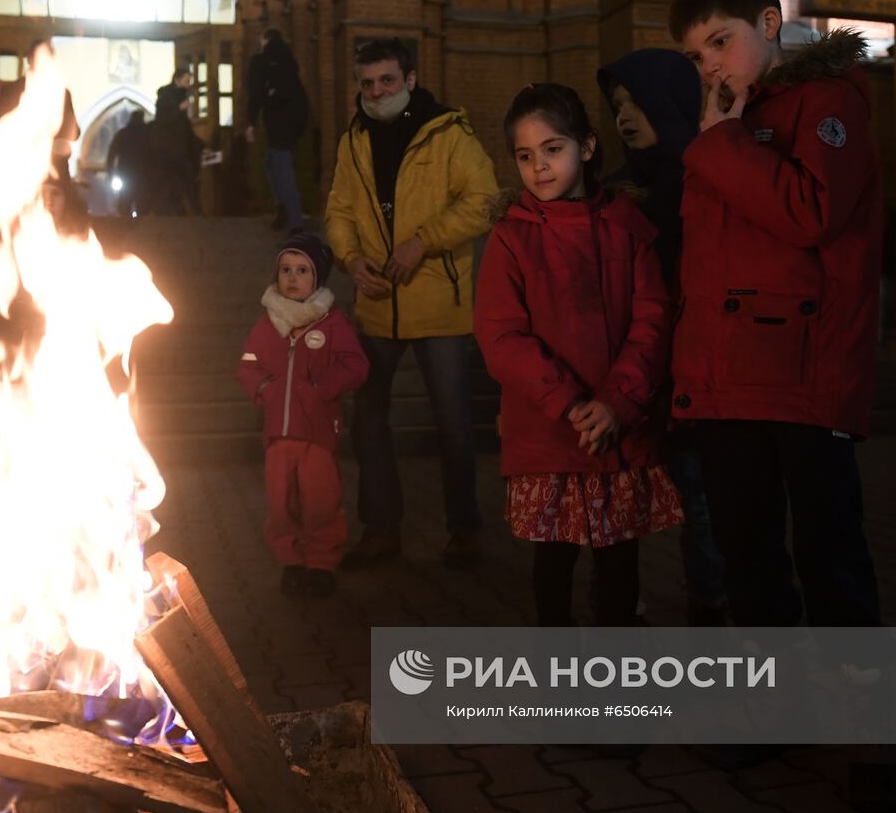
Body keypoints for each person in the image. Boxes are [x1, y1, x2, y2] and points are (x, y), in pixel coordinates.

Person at [669, 0, 896, 808]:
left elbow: (811, 215)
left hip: (802, 376)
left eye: (720, 44)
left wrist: (721, 142)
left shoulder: (830, 104)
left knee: (832, 557)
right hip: (729, 381)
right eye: (697, 57)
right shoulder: (728, 123)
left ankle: (876, 739)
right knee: (751, 560)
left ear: (770, 23)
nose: (712, 69)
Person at [474, 83, 682, 626]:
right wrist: (570, 404)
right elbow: (502, 337)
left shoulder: (627, 227)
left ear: (587, 148)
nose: (539, 167)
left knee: (618, 565)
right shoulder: (512, 239)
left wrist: (617, 402)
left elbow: (654, 320)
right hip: (552, 433)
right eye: (525, 155)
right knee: (554, 566)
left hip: (619, 427)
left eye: (552, 149)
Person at [324, 38, 498, 568]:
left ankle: (464, 531)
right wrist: (351, 260)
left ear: (411, 80)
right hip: (377, 303)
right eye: (368, 82)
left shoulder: (449, 133)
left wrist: (424, 241)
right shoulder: (353, 140)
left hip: (438, 305)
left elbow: (484, 200)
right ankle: (380, 530)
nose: (376, 91)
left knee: (452, 422)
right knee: (368, 417)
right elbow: (339, 210)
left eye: (387, 81)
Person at [597, 50, 727, 627]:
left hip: (694, 368)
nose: (624, 115)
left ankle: (710, 601)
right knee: (620, 489)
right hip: (629, 365)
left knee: (698, 497)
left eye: (636, 101)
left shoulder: (706, 177)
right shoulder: (613, 191)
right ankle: (623, 603)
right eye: (617, 105)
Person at [236, 233, 370, 597]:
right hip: (278, 436)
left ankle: (321, 563)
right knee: (281, 503)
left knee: (320, 501)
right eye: (285, 270)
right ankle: (291, 561)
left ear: (318, 279)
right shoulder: (269, 324)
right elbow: (247, 365)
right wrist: (264, 389)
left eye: (301, 271)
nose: (292, 278)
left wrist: (322, 388)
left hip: (317, 433)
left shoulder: (329, 323)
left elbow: (356, 365)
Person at [245, 29, 311, 230]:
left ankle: (295, 220)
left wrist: (250, 123)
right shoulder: (288, 59)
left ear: (264, 40)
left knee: (282, 165)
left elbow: (255, 94)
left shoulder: (260, 61)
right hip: (297, 117)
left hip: (278, 120)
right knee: (272, 161)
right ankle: (283, 209)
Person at [147, 74, 204, 215]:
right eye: (186, 80)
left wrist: (201, 146)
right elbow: (163, 120)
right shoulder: (167, 97)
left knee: (172, 181)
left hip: (176, 148)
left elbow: (185, 128)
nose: (189, 83)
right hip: (168, 148)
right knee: (184, 180)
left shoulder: (179, 96)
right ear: (177, 80)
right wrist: (179, 109)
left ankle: (179, 212)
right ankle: (196, 212)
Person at [106, 108, 148, 217]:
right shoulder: (148, 133)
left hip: (127, 174)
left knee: (125, 206)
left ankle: (126, 231)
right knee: (141, 207)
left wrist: (110, 173)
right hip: (142, 176)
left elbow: (111, 155)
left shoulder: (123, 134)